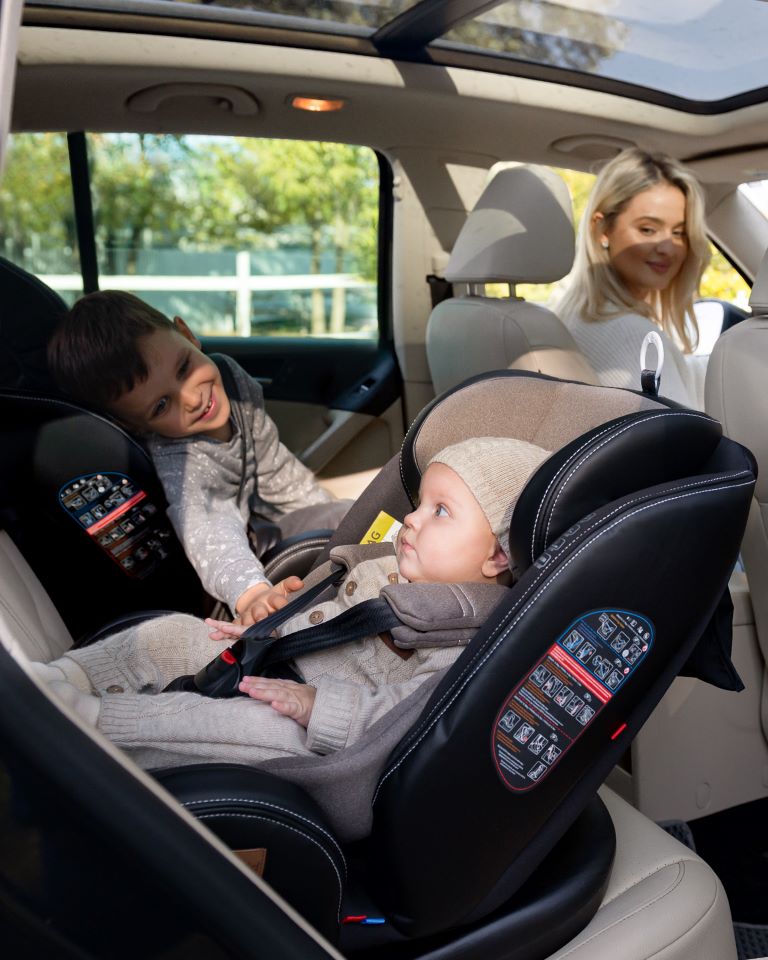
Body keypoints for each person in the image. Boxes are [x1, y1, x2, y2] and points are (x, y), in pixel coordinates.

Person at [28, 436, 550, 776]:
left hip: (323, 739)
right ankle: (59, 677)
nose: (411, 520)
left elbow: (407, 719)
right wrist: (270, 624)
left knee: (248, 727)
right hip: (274, 657)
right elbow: (323, 614)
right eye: (418, 505)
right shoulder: (386, 563)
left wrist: (315, 707)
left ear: (498, 554)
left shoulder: (464, 639)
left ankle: (90, 721)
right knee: (174, 634)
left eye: (441, 512)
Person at [47, 291, 350, 625]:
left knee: (347, 515)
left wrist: (343, 518)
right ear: (135, 425)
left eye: (184, 367)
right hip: (232, 569)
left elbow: (273, 466)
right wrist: (252, 594)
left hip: (255, 528)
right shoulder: (181, 461)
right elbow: (209, 531)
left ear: (188, 334)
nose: (191, 397)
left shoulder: (232, 379)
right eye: (162, 405)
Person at [552, 147, 711, 408]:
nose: (668, 248)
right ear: (602, 229)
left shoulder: (571, 317)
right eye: (648, 229)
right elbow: (682, 443)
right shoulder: (633, 336)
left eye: (679, 233)